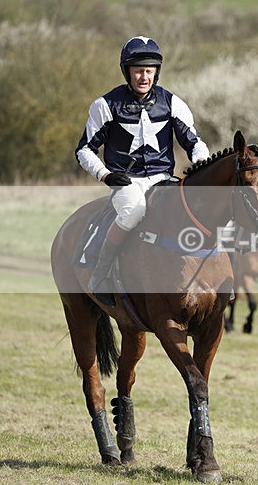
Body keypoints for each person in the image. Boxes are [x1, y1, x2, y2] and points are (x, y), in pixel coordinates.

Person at [75, 36, 210, 305]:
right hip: (127, 182)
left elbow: (194, 142)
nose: (144, 77)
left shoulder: (172, 103)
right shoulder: (106, 105)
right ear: (127, 72)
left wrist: (201, 162)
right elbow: (84, 150)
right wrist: (106, 175)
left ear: (156, 72)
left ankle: (213, 275)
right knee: (133, 211)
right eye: (138, 71)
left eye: (149, 71)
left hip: (163, 179)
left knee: (199, 208)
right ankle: (100, 274)